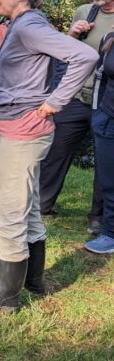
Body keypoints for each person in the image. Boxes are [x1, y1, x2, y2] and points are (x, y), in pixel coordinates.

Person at [0, 0, 97, 310]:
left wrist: (54, 102)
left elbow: (85, 56)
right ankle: (33, 281)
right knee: (28, 205)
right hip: (15, 128)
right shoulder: (23, 25)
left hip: (22, 131)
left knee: (7, 211)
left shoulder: (28, 25)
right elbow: (54, 63)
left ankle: (5, 294)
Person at [39, 0, 114, 234]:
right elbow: (66, 53)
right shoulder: (85, 11)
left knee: (105, 162)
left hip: (106, 103)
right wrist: (72, 34)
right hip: (77, 97)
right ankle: (41, 204)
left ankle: (97, 217)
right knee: (55, 152)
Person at [85, 32, 114, 253]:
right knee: (108, 180)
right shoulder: (110, 38)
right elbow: (101, 78)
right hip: (108, 118)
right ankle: (110, 233)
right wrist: (98, 114)